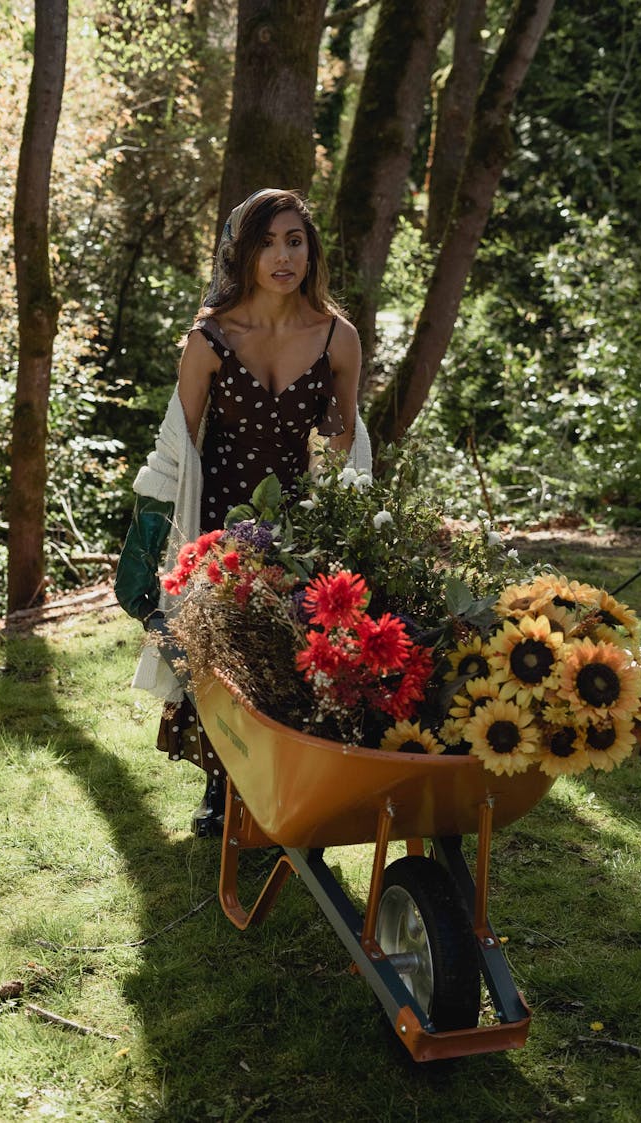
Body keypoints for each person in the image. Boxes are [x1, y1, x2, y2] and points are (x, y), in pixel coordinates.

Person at [115, 188, 372, 835]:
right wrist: (152, 528)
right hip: (218, 532)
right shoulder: (209, 339)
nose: (282, 255)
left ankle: (288, 787)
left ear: (311, 251)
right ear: (243, 253)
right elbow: (179, 441)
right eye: (267, 242)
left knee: (290, 661)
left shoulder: (338, 338)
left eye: (294, 240)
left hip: (298, 528)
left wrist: (353, 530)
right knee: (223, 667)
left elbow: (347, 448)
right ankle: (220, 787)